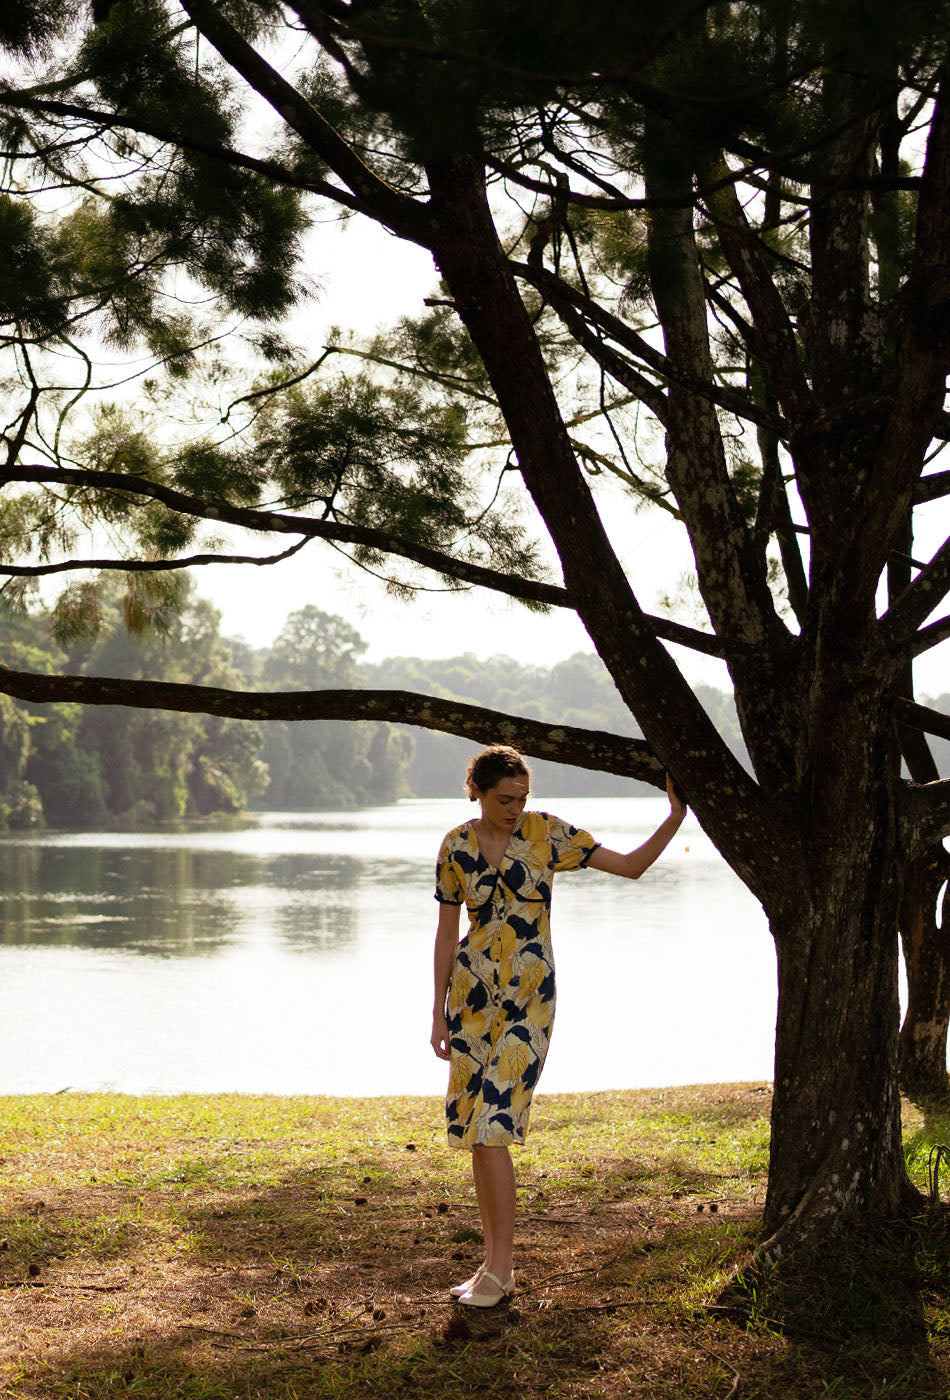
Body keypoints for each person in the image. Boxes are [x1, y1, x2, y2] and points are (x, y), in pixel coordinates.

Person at [430, 743, 687, 1308]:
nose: (515, 808)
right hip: (471, 1002)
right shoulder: (455, 845)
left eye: (523, 798)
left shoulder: (547, 834)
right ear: (477, 790)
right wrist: (436, 1010)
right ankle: (491, 1264)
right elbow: (446, 933)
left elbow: (631, 867)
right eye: (504, 798)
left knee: (496, 1126)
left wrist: (674, 819)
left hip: (529, 1000)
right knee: (477, 1134)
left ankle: (501, 1272)